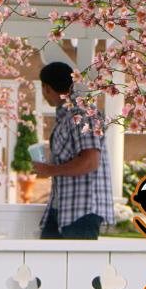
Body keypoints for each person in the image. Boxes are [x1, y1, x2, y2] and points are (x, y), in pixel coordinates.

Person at [33, 61, 115, 240]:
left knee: (78, 267)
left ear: (46, 88)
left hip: (82, 209)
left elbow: (90, 161)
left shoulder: (83, 114)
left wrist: (50, 170)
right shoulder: (67, 116)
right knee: (45, 262)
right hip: (62, 206)